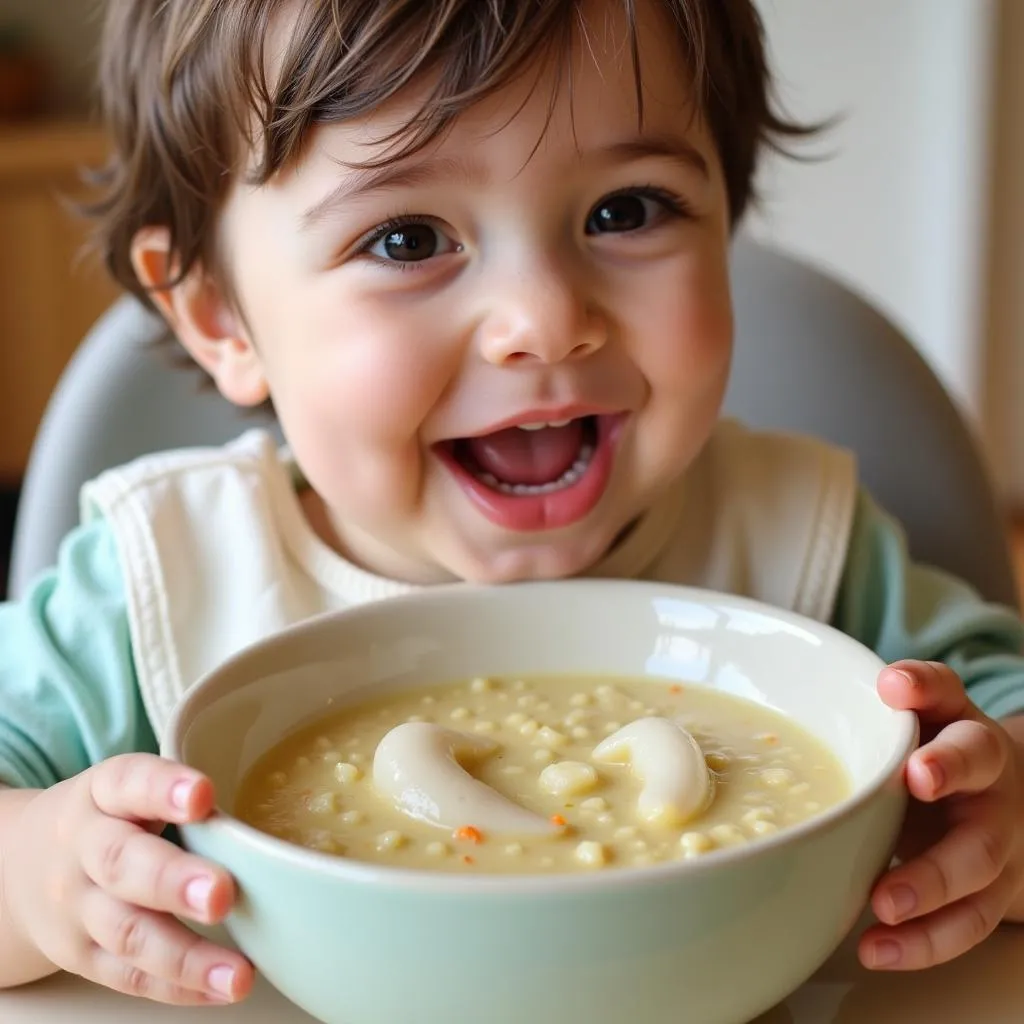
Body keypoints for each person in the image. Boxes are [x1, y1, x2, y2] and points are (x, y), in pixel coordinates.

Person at [1, 0, 1022, 1008]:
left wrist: (999, 807)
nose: (543, 320)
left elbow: (995, 725)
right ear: (221, 317)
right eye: (406, 239)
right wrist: (37, 872)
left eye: (624, 210)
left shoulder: (807, 539)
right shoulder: (154, 585)